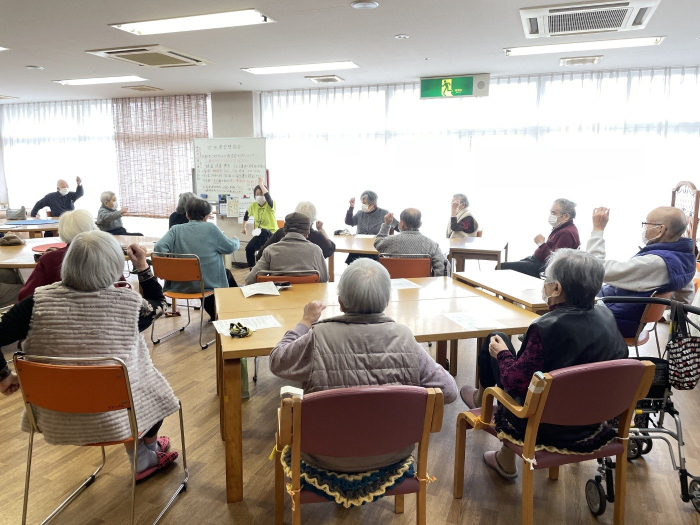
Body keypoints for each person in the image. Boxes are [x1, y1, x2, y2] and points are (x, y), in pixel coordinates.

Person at [0, 231, 179, 479]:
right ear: (114, 265)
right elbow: (159, 304)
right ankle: (144, 455)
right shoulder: (128, 305)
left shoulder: (36, 303)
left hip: (54, 414)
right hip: (115, 416)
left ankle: (146, 453)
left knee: (139, 386)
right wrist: (142, 267)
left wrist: (3, 376)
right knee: (154, 392)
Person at [269, 258, 457, 473]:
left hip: (324, 456)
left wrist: (305, 321)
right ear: (387, 301)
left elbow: (277, 361)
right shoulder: (405, 338)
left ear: (341, 302)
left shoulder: (319, 336)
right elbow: (449, 391)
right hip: (392, 454)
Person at [461, 249, 628, 479]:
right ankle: (485, 407)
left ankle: (486, 411)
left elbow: (516, 383)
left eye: (546, 280)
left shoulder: (545, 328)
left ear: (557, 288)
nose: (545, 285)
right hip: (592, 418)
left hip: (543, 423)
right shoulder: (607, 315)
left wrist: (502, 354)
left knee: (495, 338)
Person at [588, 206, 695, 338]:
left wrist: (598, 229)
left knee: (566, 313)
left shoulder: (654, 263)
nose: (644, 228)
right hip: (622, 312)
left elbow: (596, 269)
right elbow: (685, 295)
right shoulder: (683, 257)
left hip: (615, 320)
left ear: (660, 230)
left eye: (646, 223)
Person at [155, 198, 240, 321]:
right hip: (205, 284)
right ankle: (234, 310)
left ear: (187, 214)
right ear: (206, 216)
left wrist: (167, 266)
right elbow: (230, 248)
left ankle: (217, 315)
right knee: (222, 275)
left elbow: (159, 247)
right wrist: (236, 240)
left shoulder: (175, 229)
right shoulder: (211, 228)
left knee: (207, 277)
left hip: (180, 285)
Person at [18, 209, 97, 301]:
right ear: (93, 227)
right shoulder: (107, 253)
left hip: (59, 307)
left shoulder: (50, 259)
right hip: (103, 305)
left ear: (62, 231)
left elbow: (25, 295)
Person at [501, 198, 580, 278]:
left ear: (566, 216)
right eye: (551, 212)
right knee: (507, 265)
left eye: (553, 213)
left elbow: (555, 260)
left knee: (501, 267)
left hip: (540, 266)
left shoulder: (566, 233)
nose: (551, 216)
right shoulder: (562, 228)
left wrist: (541, 244)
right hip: (535, 260)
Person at [245, 212, 329, 285]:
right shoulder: (316, 250)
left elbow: (250, 280)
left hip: (278, 298)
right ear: (307, 234)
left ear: (284, 231)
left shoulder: (270, 250)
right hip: (309, 298)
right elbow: (324, 279)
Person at [374, 208, 448, 276]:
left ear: (402, 223)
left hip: (394, 282)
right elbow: (443, 267)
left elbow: (378, 243)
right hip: (421, 284)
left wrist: (386, 224)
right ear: (420, 224)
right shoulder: (431, 244)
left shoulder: (390, 241)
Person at [255, 201, 335, 261]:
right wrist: (321, 229)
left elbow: (261, 255)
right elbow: (330, 249)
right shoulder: (316, 237)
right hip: (308, 278)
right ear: (313, 218)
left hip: (280, 277)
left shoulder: (281, 232)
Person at [344, 190, 398, 264]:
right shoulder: (360, 213)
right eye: (362, 203)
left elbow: (398, 227)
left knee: (372, 262)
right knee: (353, 262)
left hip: (375, 247)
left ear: (373, 204)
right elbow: (349, 222)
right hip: (360, 246)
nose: (363, 205)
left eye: (365, 203)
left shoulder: (384, 213)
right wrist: (351, 207)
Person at [241, 177, 278, 267]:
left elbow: (268, 198)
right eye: (257, 194)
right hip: (260, 235)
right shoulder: (253, 205)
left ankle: (262, 262)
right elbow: (246, 215)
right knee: (249, 248)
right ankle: (253, 270)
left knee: (263, 231)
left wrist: (261, 184)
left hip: (272, 234)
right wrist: (243, 227)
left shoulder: (271, 204)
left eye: (261, 193)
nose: (259, 196)